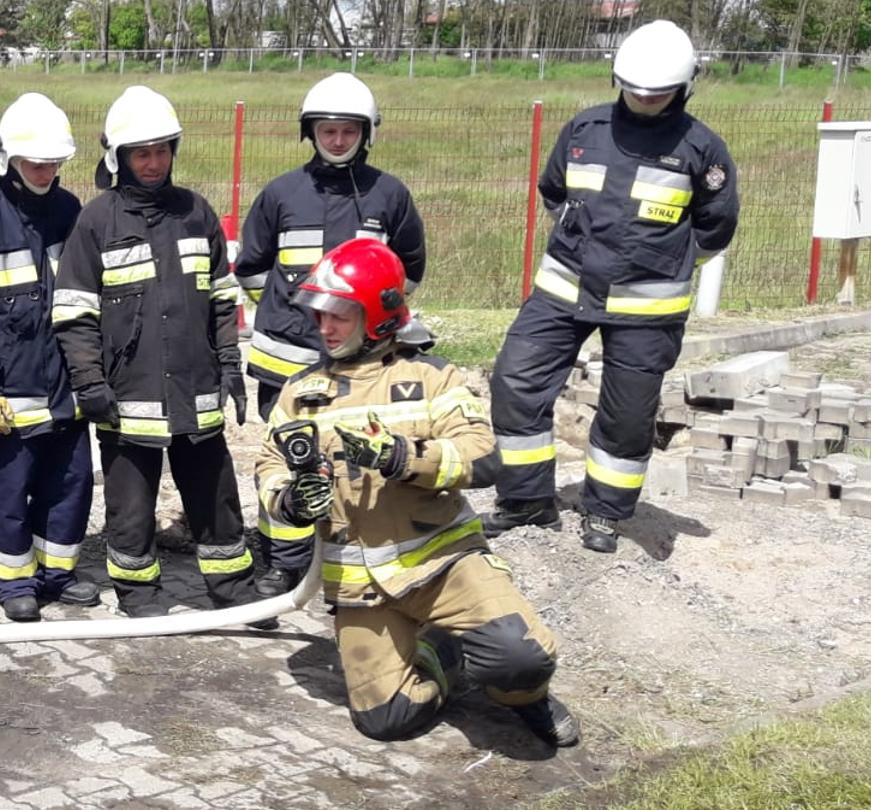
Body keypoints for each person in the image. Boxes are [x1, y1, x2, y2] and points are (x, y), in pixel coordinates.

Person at [256, 238, 578, 747]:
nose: (325, 327)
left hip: (442, 564)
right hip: (359, 584)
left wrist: (404, 458)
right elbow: (269, 466)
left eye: (340, 313)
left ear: (378, 316)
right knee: (387, 720)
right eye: (319, 313)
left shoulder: (430, 377)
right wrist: (290, 502)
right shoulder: (300, 394)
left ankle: (525, 698)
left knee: (519, 657)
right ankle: (445, 654)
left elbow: (482, 455)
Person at [484, 20, 739, 553]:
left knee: (626, 416)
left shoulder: (702, 151)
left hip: (647, 309)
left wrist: (666, 260)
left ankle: (604, 512)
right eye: (635, 90)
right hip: (563, 290)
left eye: (657, 93)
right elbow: (554, 189)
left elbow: (715, 228)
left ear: (685, 86)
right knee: (515, 381)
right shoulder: (584, 130)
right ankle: (527, 498)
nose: (644, 100)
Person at [51, 85, 266, 623]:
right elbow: (74, 311)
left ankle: (233, 592)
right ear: (118, 157)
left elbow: (221, 299)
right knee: (130, 508)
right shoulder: (96, 222)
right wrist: (90, 383)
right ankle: (139, 596)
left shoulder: (197, 213)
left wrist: (230, 366)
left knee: (216, 498)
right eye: (141, 153)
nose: (153, 163)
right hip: (127, 396)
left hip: (195, 389)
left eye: (162, 150)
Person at [232, 72, 427, 597]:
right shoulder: (281, 194)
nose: (337, 140)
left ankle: (357, 553)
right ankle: (284, 564)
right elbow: (251, 267)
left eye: (347, 130)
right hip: (287, 358)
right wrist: (287, 315)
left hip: (363, 366)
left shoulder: (389, 195)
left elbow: (408, 269)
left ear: (366, 132)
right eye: (327, 130)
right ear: (310, 131)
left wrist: (372, 330)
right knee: (288, 460)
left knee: (362, 456)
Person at [0, 92, 101, 622]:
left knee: (70, 484)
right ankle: (12, 581)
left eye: (54, 163)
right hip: (10, 392)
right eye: (36, 162)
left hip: (66, 387)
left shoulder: (69, 212)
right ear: (7, 158)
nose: (45, 170)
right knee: (11, 492)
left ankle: (56, 573)